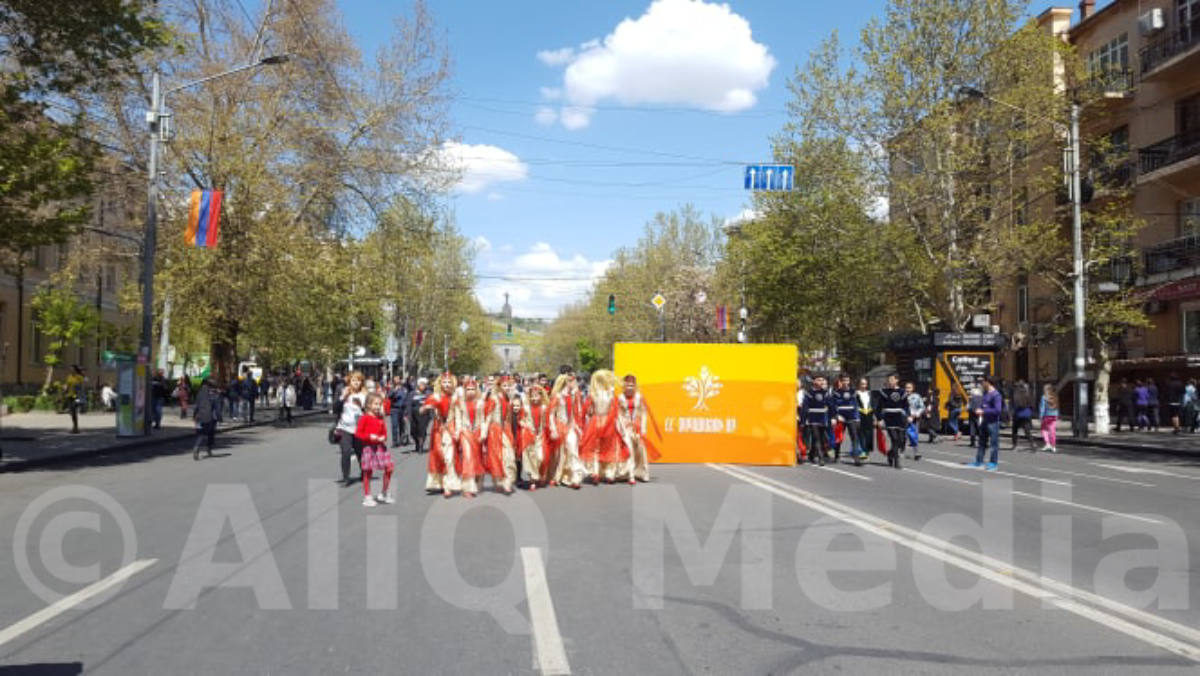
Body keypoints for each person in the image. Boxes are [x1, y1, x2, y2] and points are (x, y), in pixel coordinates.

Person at [579, 370, 628, 484]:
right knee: (609, 448)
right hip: (608, 422)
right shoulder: (610, 393)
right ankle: (609, 474)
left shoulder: (593, 394)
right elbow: (615, 410)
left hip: (595, 421)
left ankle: (596, 473)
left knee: (595, 448)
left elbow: (588, 411)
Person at [617, 374, 660, 483]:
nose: (630, 388)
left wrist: (643, 428)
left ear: (635, 386)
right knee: (629, 449)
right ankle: (629, 474)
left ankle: (643, 473)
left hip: (637, 427)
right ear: (624, 386)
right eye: (628, 385)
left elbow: (644, 413)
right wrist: (622, 427)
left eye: (632, 385)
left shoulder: (639, 397)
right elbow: (618, 414)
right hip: (626, 427)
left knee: (641, 449)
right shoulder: (620, 397)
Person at [423, 373, 459, 496]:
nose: (447, 385)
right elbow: (425, 406)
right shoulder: (435, 396)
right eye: (444, 382)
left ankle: (448, 485)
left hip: (451, 429)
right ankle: (438, 483)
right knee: (439, 455)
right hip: (438, 429)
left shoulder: (456, 397)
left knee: (449, 457)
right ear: (440, 383)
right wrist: (426, 408)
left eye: (449, 382)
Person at [356, 393, 394, 506]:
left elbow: (384, 433)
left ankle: (384, 493)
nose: (378, 407)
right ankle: (367, 496)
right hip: (369, 447)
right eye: (375, 404)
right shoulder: (365, 418)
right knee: (368, 471)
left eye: (379, 404)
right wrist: (369, 436)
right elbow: (358, 433)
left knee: (389, 468)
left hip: (380, 446)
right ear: (369, 405)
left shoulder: (380, 417)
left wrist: (383, 437)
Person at [548, 373, 584, 489]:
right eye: (572, 381)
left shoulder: (574, 396)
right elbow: (551, 414)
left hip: (570, 427)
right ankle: (558, 476)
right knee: (560, 454)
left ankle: (576, 477)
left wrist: (577, 426)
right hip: (560, 426)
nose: (574, 383)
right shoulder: (557, 396)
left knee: (573, 450)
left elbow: (576, 412)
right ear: (566, 382)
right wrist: (553, 429)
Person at [453, 377, 487, 498]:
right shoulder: (459, 402)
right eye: (468, 389)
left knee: (477, 458)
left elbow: (483, 420)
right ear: (464, 390)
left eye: (473, 389)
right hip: (465, 431)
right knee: (467, 458)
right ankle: (467, 486)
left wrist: (483, 433)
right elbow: (458, 418)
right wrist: (457, 431)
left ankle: (476, 480)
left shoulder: (481, 403)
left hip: (477, 432)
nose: (471, 392)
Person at [336, 371, 368, 485]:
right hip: (345, 427)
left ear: (361, 382)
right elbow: (335, 409)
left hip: (360, 429)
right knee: (346, 452)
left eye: (358, 380)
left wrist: (361, 406)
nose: (356, 383)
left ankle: (364, 473)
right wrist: (343, 397)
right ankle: (346, 477)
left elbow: (370, 412)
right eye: (353, 380)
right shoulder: (344, 393)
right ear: (349, 382)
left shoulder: (365, 395)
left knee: (361, 453)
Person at [971, 376, 1003, 470]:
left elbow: (997, 410)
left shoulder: (996, 395)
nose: (982, 383)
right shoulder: (985, 393)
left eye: (983, 382)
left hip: (993, 422)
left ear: (988, 382)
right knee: (981, 442)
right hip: (985, 421)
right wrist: (979, 408)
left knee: (993, 444)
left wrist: (983, 411)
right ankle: (979, 461)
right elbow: (983, 405)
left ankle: (993, 463)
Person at [831, 373, 863, 465]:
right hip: (841, 418)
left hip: (852, 417)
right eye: (843, 381)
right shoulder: (836, 392)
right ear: (840, 381)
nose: (845, 382)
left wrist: (857, 418)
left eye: (847, 380)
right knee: (839, 438)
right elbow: (833, 406)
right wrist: (836, 416)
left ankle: (856, 458)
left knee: (854, 437)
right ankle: (837, 455)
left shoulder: (853, 392)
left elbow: (856, 405)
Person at [522, 385, 551, 488]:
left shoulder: (544, 408)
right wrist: (524, 425)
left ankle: (541, 475)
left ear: (541, 396)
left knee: (540, 457)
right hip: (529, 435)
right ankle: (533, 480)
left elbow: (548, 420)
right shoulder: (526, 408)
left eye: (537, 396)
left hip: (540, 435)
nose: (534, 399)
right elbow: (522, 419)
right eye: (532, 396)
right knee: (531, 457)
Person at [877, 373, 907, 469]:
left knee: (900, 440)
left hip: (900, 418)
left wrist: (909, 415)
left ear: (897, 380)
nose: (889, 381)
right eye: (888, 380)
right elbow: (879, 407)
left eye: (891, 379)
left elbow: (906, 405)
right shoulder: (884, 392)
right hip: (889, 418)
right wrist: (879, 419)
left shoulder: (902, 392)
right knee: (894, 439)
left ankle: (890, 454)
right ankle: (897, 461)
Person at [801, 375, 831, 467]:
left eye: (822, 380)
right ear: (814, 382)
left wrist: (834, 417)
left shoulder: (825, 393)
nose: (821, 382)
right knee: (816, 437)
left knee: (820, 438)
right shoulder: (809, 393)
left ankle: (811, 454)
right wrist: (803, 420)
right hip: (813, 418)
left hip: (822, 418)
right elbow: (805, 407)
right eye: (818, 380)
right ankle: (821, 458)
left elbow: (831, 405)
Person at [192, 377, 218, 460]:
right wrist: (219, 416)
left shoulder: (199, 392)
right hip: (210, 416)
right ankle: (209, 450)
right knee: (211, 433)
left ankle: (196, 448)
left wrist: (194, 415)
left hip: (200, 416)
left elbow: (196, 405)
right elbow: (216, 405)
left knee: (201, 434)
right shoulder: (212, 393)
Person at [1010, 379, 1037, 451]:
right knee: (1027, 430)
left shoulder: (1016, 394)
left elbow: (1013, 404)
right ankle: (1032, 443)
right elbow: (1032, 405)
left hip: (1018, 414)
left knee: (1015, 430)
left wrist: (1011, 413)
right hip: (1026, 414)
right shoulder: (1028, 394)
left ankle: (1014, 444)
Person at [409, 377, 431, 453]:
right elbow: (409, 405)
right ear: (418, 385)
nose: (423, 386)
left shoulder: (428, 393)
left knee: (422, 430)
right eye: (421, 384)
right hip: (414, 414)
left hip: (425, 415)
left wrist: (431, 414)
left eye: (424, 384)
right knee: (413, 432)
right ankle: (417, 442)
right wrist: (407, 414)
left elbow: (431, 404)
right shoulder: (412, 393)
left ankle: (421, 445)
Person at [904, 381, 924, 461]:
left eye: (909, 388)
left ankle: (916, 453)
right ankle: (899, 451)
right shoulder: (902, 396)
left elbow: (922, 407)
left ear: (912, 389)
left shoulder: (916, 397)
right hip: (904, 419)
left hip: (914, 419)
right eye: (906, 388)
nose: (908, 389)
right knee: (903, 436)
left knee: (914, 436)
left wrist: (917, 414)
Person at [855, 378, 875, 457]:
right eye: (862, 384)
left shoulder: (869, 393)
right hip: (860, 414)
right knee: (861, 433)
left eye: (865, 384)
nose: (863, 386)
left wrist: (875, 416)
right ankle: (863, 450)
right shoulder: (856, 394)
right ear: (859, 385)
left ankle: (867, 449)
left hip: (869, 414)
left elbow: (873, 404)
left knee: (869, 433)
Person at [64, 365, 87, 434]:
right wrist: (65, 389)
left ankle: (75, 427)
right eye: (70, 369)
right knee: (72, 412)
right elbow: (67, 385)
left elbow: (82, 386)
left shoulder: (79, 377)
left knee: (74, 409)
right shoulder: (69, 376)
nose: (71, 370)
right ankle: (75, 427)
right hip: (70, 395)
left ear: (75, 370)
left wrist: (81, 394)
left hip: (77, 396)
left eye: (72, 369)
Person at [388, 375, 407, 448]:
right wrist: (395, 391)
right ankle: (395, 441)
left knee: (402, 425)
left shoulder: (404, 388)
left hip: (403, 409)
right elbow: (389, 396)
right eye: (395, 379)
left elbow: (406, 398)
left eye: (398, 379)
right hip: (394, 409)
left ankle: (402, 440)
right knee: (395, 425)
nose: (397, 380)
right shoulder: (392, 389)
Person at [1039, 384, 1059, 453]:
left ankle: (1047, 443)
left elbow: (1042, 408)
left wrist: (1041, 416)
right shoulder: (1055, 396)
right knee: (1052, 431)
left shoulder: (1044, 397)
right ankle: (1053, 446)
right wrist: (1057, 415)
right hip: (1054, 415)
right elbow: (1057, 407)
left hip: (1046, 415)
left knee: (1044, 429)